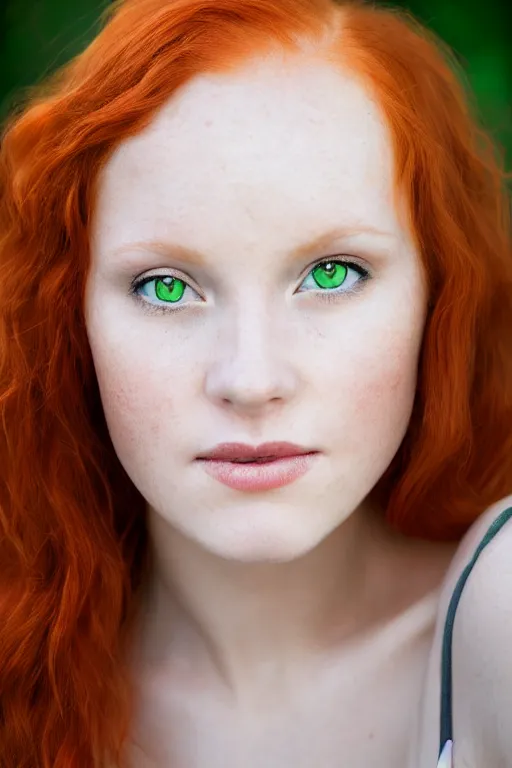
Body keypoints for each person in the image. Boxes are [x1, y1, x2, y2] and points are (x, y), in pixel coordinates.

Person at [0, 0, 511, 766]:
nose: (252, 379)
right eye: (167, 287)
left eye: (333, 274)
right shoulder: (24, 671)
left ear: (441, 296)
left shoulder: (499, 611)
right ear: (68, 319)